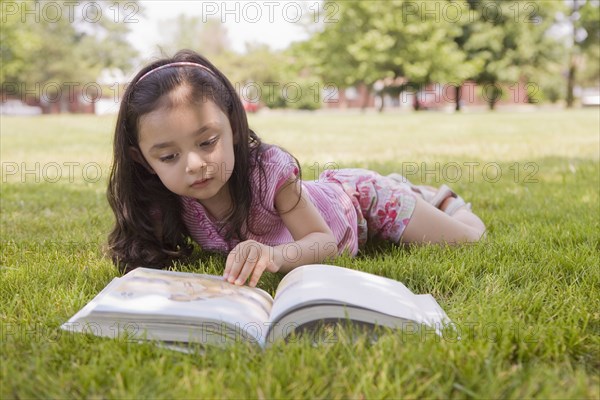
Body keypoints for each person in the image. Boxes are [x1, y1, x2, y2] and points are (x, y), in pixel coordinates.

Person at [107, 50, 486, 288]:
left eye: (207, 142)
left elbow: (323, 242)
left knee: (469, 242)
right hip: (335, 201)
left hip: (361, 201)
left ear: (235, 128)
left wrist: (274, 257)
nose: (194, 165)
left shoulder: (270, 174)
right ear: (143, 159)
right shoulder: (165, 199)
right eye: (168, 157)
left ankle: (439, 199)